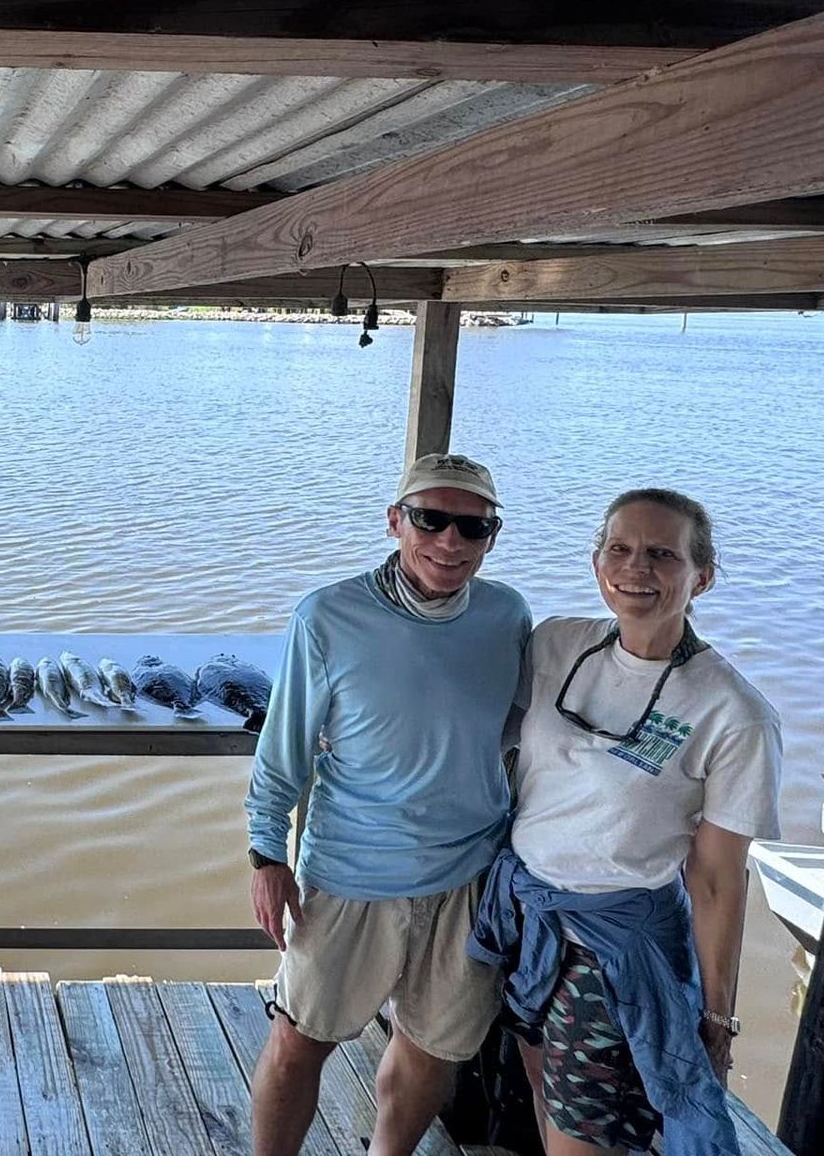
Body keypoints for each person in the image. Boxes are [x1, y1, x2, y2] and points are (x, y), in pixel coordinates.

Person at [470, 490, 783, 1156]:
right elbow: (483, 737)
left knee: (586, 1134)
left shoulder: (734, 712)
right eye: (620, 548)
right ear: (597, 563)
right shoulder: (557, 643)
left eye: (662, 554)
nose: (636, 567)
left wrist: (717, 1013)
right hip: (528, 917)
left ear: (702, 577)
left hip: (616, 947)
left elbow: (716, 878)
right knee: (543, 1093)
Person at [245, 452, 532, 1156]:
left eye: (473, 527)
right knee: (297, 1041)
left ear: (492, 537)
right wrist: (266, 854)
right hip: (351, 872)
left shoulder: (507, 614)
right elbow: (282, 751)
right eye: (430, 520)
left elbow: (517, 735)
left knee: (433, 1046)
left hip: (469, 877)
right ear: (395, 521)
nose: (450, 541)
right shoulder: (327, 616)